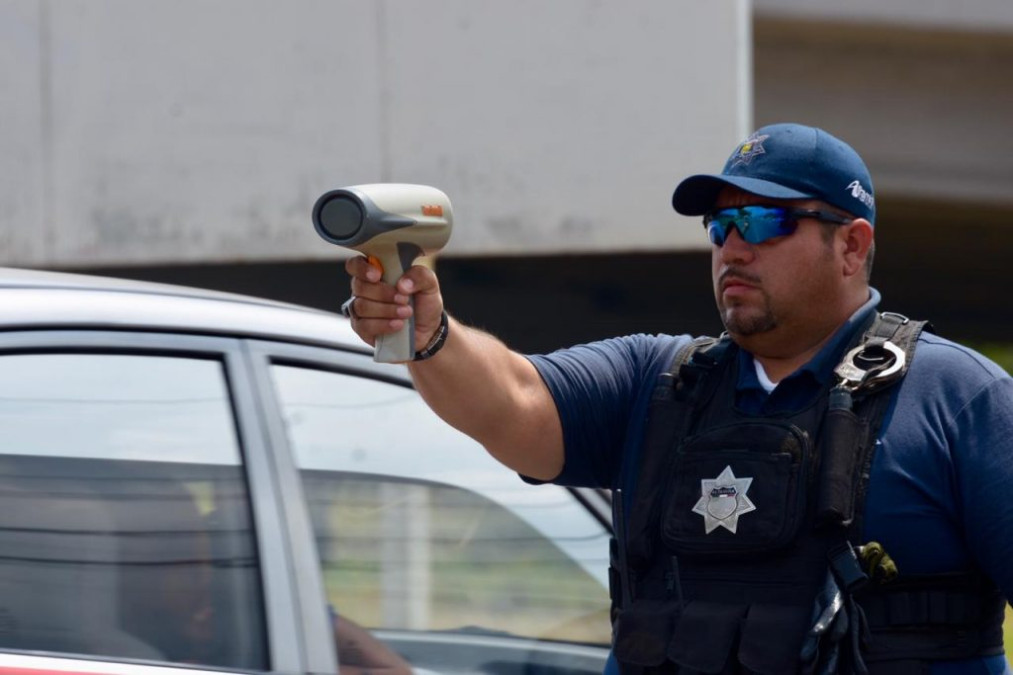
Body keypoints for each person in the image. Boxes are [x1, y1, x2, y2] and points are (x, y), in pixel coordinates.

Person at [341, 123, 1013, 674]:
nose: (733, 247)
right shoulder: (657, 382)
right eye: (719, 226)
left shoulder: (958, 398)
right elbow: (512, 399)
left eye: (763, 220)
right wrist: (429, 334)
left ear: (850, 245)